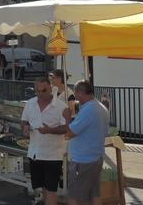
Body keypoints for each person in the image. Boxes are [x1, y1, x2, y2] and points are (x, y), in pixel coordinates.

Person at [20, 77, 67, 205]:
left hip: (53, 154)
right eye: (37, 91)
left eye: (43, 90)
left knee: (51, 189)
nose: (40, 93)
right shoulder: (30, 103)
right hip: (35, 152)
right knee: (44, 187)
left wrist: (49, 130)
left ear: (50, 88)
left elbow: (66, 128)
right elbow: (24, 121)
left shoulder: (61, 106)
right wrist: (25, 127)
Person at [65, 80, 110, 205]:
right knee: (94, 194)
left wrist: (67, 118)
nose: (75, 97)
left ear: (80, 92)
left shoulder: (88, 110)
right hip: (96, 157)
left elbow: (70, 133)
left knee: (76, 196)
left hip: (83, 160)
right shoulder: (101, 107)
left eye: (75, 93)